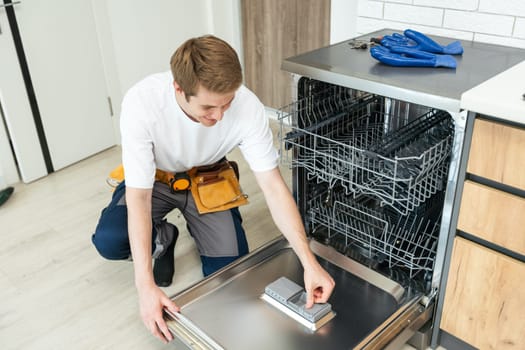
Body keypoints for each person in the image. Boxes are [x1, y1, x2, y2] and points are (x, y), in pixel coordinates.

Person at [91, 35, 335, 343]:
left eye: (227, 103)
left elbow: (273, 186)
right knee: (111, 241)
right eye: (208, 107)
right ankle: (163, 237)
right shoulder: (142, 103)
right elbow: (138, 199)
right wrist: (146, 287)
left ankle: (198, 229)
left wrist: (308, 262)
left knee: (230, 276)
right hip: (155, 179)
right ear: (178, 88)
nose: (219, 116)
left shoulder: (247, 106)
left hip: (208, 178)